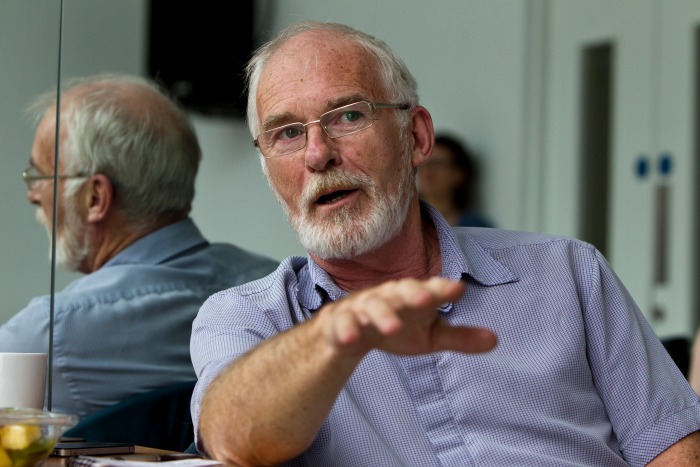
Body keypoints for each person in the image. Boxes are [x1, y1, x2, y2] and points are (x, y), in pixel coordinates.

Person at [190, 21, 700, 466]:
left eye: (348, 116)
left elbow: (674, 447)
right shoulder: (247, 317)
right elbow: (232, 440)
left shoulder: (568, 271)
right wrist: (335, 338)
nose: (318, 154)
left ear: (416, 138)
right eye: (287, 134)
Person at [0, 73, 278, 420]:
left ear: (95, 198)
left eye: (40, 177)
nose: (32, 195)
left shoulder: (48, 336)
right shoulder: (278, 292)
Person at [418, 133, 494, 227]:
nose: (428, 170)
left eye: (437, 163)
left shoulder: (476, 227)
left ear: (459, 174)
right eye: (424, 163)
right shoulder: (403, 223)